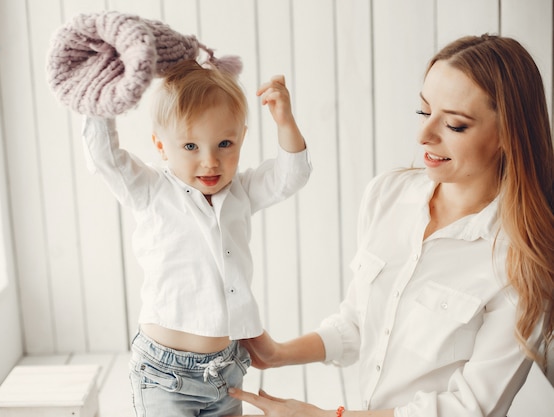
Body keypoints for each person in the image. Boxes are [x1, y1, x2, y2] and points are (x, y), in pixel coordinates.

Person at [227, 34, 554, 417]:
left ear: (507, 135)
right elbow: (359, 323)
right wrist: (278, 354)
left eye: (455, 125)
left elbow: (469, 408)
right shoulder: (389, 195)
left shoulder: (521, 259)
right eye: (423, 111)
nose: (424, 135)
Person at [82, 58, 311, 417]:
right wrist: (102, 98)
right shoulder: (152, 191)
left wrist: (285, 120)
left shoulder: (241, 192)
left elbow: (291, 175)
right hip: (163, 373)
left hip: (226, 369)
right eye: (191, 147)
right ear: (160, 146)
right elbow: (105, 158)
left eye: (224, 144)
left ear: (242, 138)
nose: (210, 162)